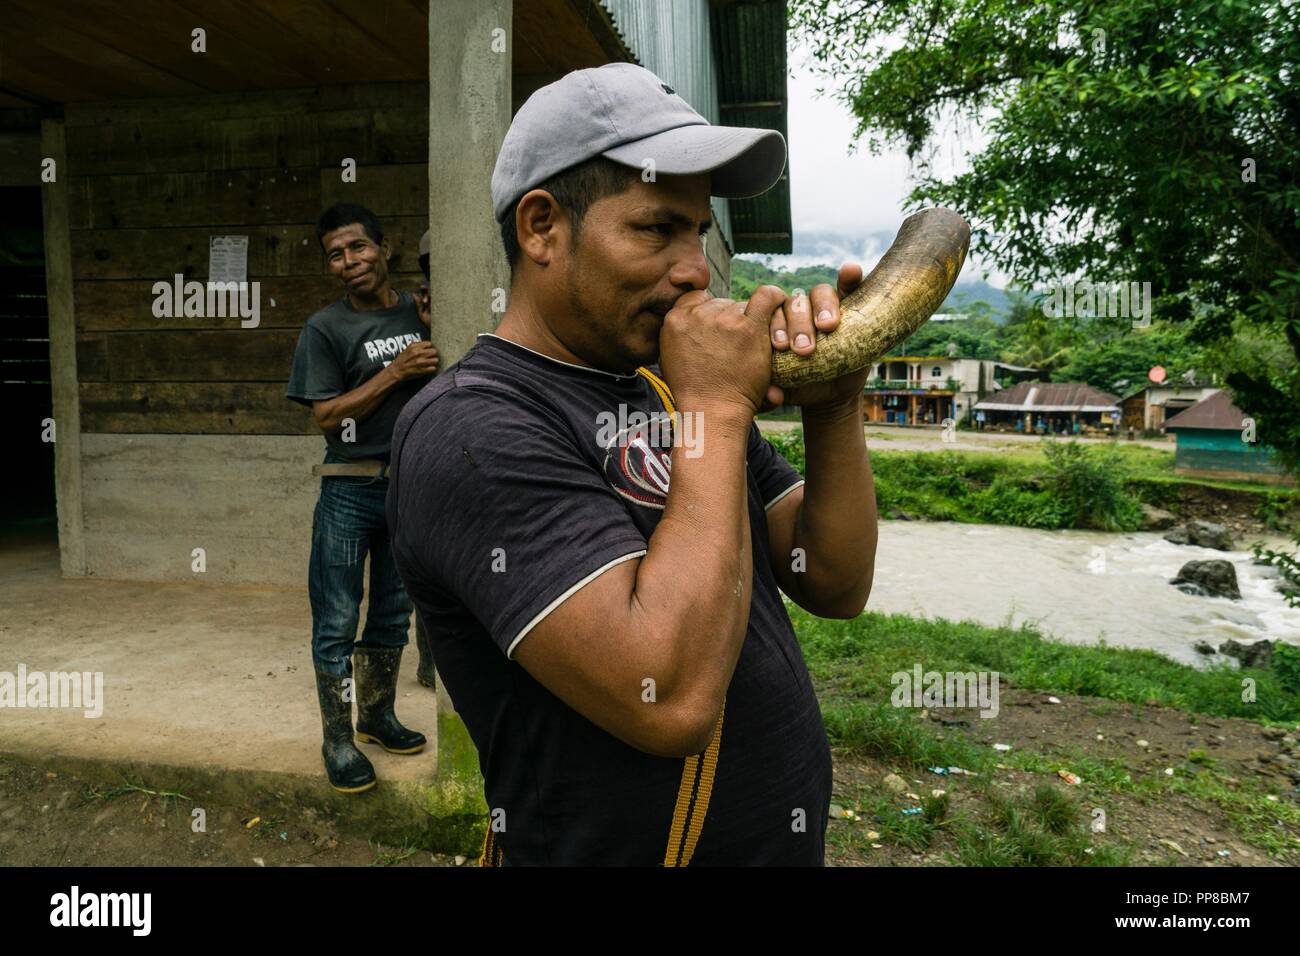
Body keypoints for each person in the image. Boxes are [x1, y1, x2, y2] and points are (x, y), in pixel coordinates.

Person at [387, 63, 877, 865]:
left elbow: (830, 578)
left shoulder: (662, 388)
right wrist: (717, 411)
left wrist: (833, 407)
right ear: (542, 227)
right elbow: (670, 698)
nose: (693, 270)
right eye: (656, 229)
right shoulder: (469, 429)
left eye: (698, 234)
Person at [286, 203, 437, 793]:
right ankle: (338, 739)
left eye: (358, 247)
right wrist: (394, 372)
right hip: (349, 488)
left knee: (393, 613)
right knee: (337, 620)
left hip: (409, 489)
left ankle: (376, 716)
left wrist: (433, 324)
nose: (349, 262)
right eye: (336, 255)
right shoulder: (326, 328)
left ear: (385, 247)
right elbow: (326, 414)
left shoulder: (417, 310)